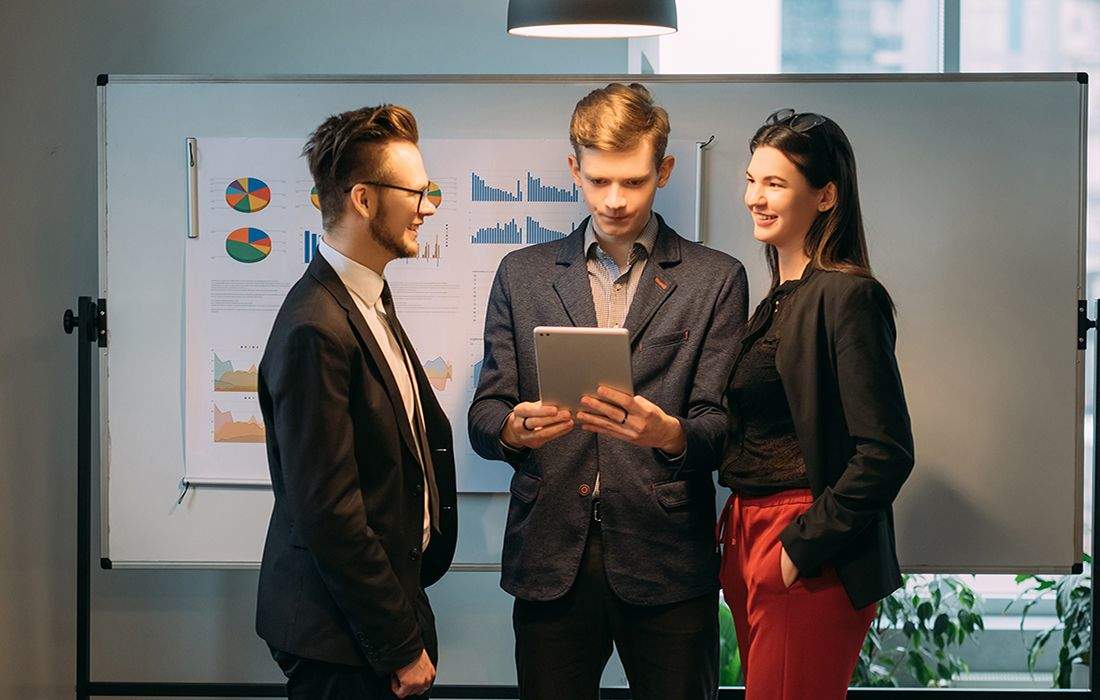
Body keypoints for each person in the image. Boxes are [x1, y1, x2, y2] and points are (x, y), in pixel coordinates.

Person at [468, 82, 748, 700]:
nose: (615, 200)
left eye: (633, 181)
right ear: (574, 169)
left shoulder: (715, 279)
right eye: (598, 181)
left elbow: (723, 428)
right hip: (550, 555)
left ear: (664, 170)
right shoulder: (523, 273)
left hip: (667, 557)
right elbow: (484, 412)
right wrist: (512, 428)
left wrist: (668, 432)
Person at [256, 104, 458, 699]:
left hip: (372, 617)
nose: (428, 206)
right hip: (339, 638)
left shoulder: (367, 299)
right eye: (417, 192)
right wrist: (399, 645)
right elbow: (330, 513)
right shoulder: (315, 326)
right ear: (364, 200)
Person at [719, 108, 915, 699]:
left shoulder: (848, 295)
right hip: (747, 529)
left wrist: (799, 547)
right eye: (752, 179)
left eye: (775, 183)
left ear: (826, 195)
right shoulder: (776, 300)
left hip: (803, 541)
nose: (756, 196)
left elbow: (885, 452)